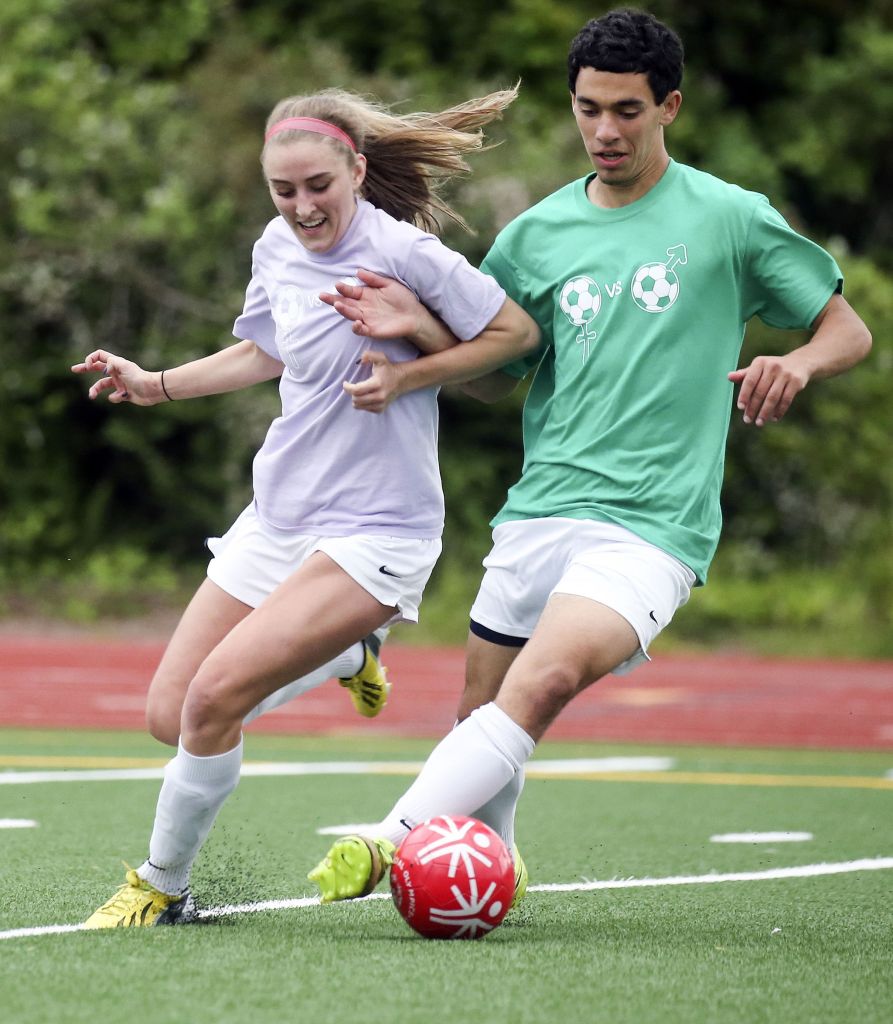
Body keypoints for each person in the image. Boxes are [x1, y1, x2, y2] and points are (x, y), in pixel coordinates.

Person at [307, 8, 872, 905]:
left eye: (625, 111)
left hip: (650, 526)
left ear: (668, 108)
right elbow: (499, 375)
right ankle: (493, 871)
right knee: (480, 723)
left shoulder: (729, 218)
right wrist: (421, 335)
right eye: (587, 109)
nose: (604, 131)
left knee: (545, 682)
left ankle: (389, 839)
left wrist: (793, 361)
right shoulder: (534, 237)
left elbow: (848, 329)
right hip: (538, 514)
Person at [73, 85, 539, 927]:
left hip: (377, 530)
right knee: (168, 716)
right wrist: (158, 385)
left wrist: (409, 365)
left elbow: (512, 342)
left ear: (356, 169)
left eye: (318, 185)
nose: (302, 206)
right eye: (283, 191)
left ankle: (161, 885)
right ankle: (350, 656)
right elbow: (263, 350)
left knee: (213, 700)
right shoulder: (274, 245)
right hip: (279, 517)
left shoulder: (407, 254)